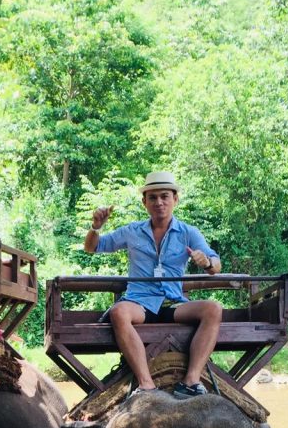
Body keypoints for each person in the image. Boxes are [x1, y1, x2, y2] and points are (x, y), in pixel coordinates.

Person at [84, 170, 222, 398]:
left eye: (165, 196)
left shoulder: (188, 232)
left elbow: (216, 265)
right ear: (144, 202)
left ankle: (191, 381)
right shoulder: (132, 231)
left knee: (213, 309)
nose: (159, 202)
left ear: (175, 199)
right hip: (140, 303)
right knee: (119, 311)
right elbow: (93, 247)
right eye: (153, 197)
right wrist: (96, 227)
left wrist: (206, 261)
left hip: (173, 304)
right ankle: (146, 384)